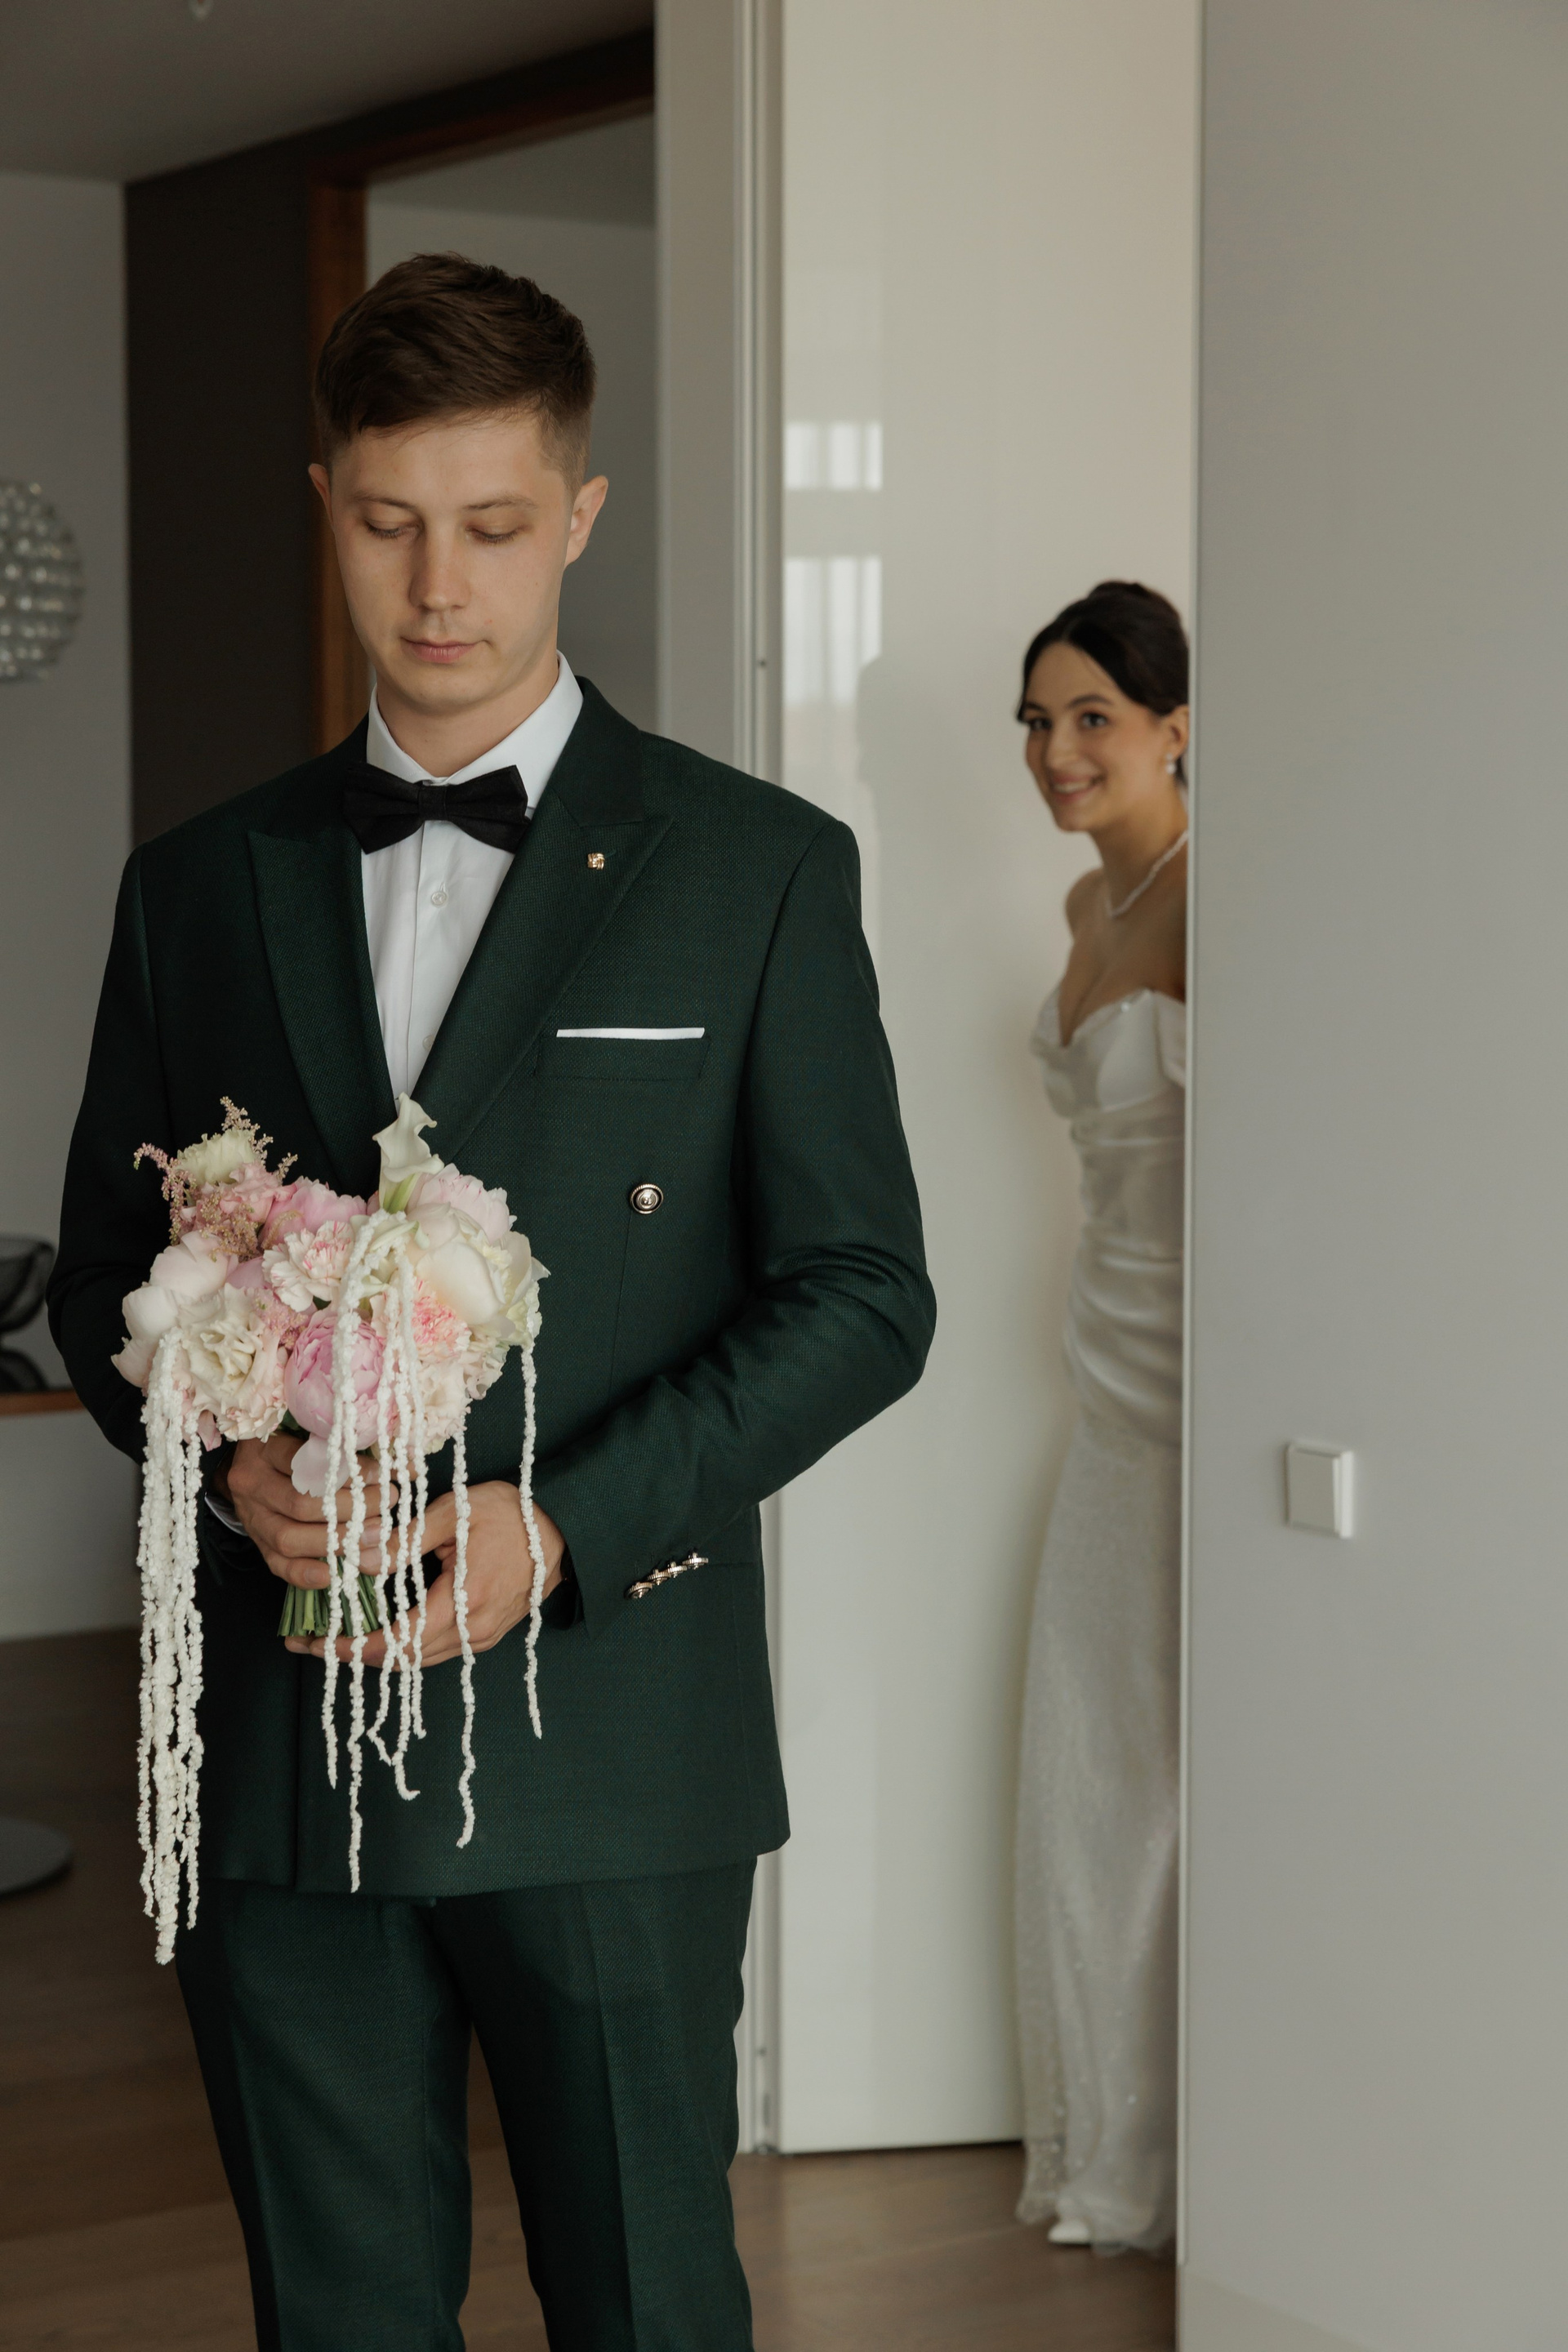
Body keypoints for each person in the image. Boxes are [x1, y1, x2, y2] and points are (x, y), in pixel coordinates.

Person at [48, 253, 935, 2351]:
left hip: (612, 1745)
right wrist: (228, 1453)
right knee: (338, 2317)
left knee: (646, 2307)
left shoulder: (760, 868)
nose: (439, 584)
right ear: (328, 505)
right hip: (283, 1754)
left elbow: (863, 1292)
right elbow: (102, 1281)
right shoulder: (195, 886)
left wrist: (566, 1526)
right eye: (387, 522)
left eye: (495, 524)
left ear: (582, 515)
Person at [1012, 580, 1188, 2255]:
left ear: (1175, 729)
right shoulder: (1086, 900)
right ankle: (1114, 2153)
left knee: (1178, 1789)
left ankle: (1197, 2164)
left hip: (1204, 1393)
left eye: (1092, 719)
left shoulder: (1227, 894)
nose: (1057, 752)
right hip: (1104, 1390)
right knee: (1094, 1778)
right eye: (1038, 721)